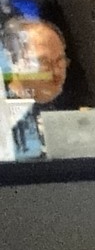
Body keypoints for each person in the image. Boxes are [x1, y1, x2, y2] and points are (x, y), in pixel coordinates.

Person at [2, 14, 77, 159]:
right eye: (44, 63)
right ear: (13, 61)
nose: (56, 72)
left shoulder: (74, 103)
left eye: (60, 61)